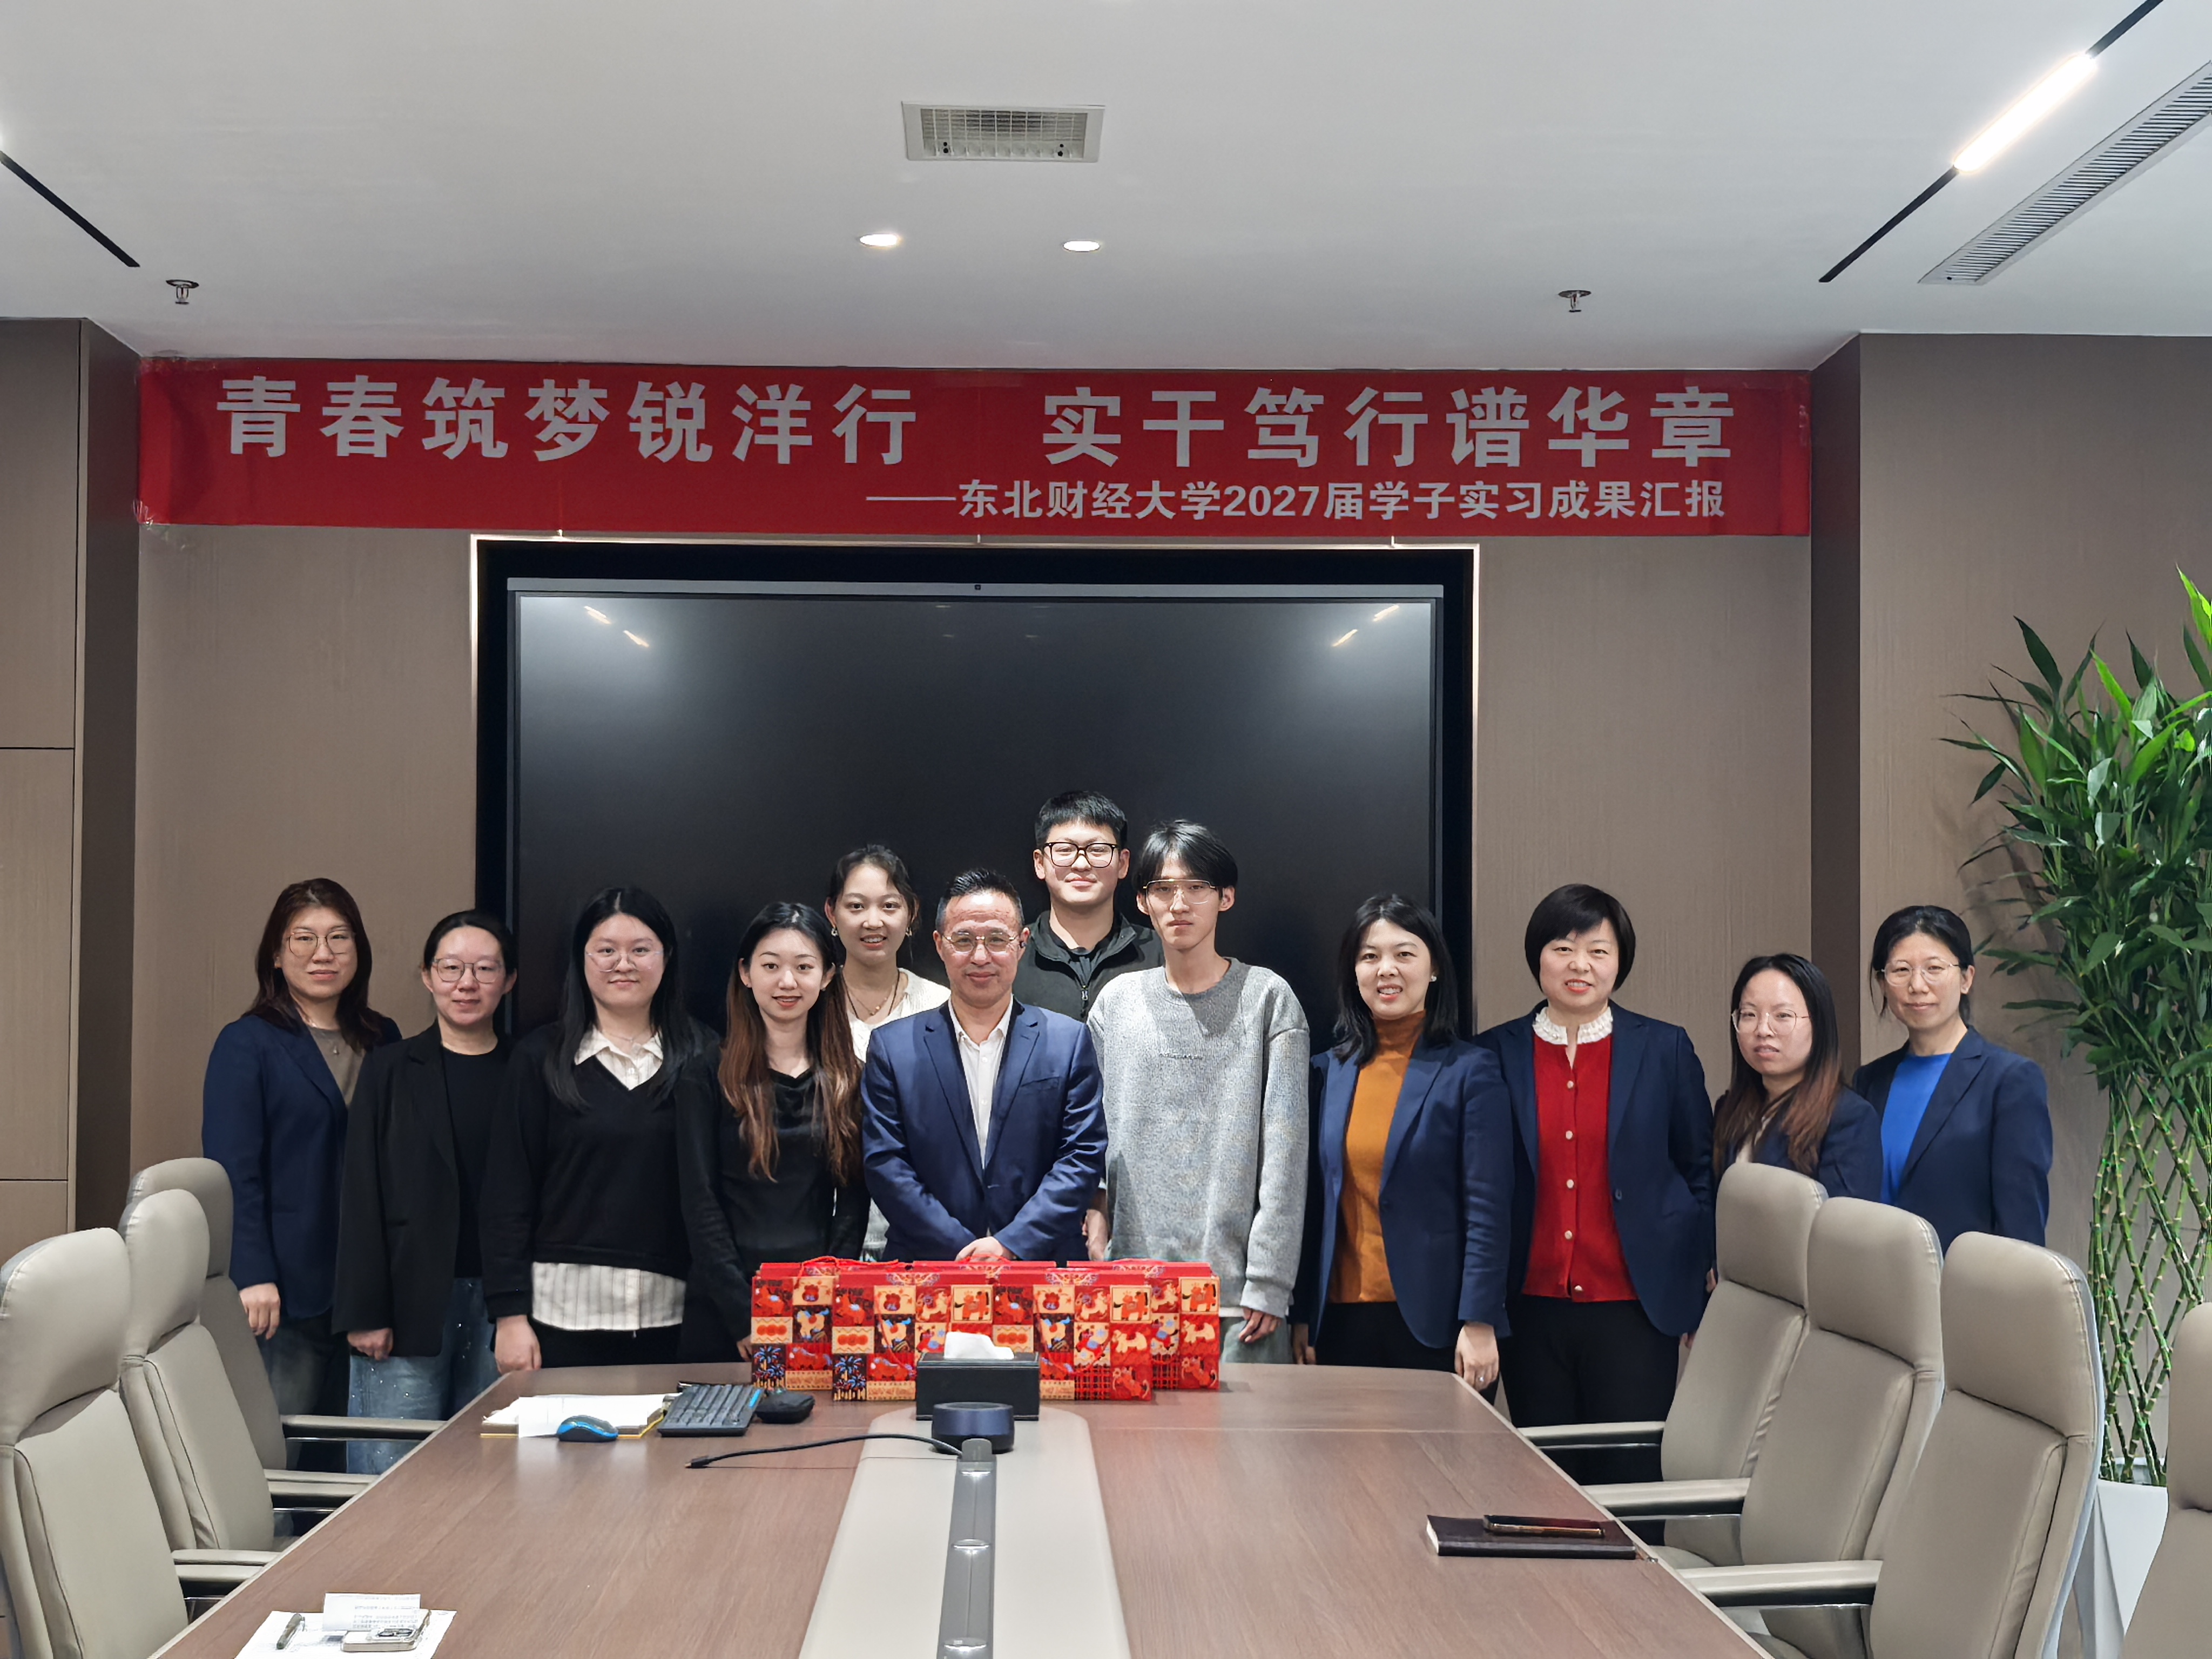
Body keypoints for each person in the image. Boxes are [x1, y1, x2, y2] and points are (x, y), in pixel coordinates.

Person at [1477, 883, 1714, 1483]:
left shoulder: (1664, 1048)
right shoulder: (1493, 1053)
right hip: (1529, 1308)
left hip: (1635, 1307)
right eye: (1562, 948)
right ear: (1538, 957)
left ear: (1620, 961)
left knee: (1631, 1479)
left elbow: (1698, 1170)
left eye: (1597, 951)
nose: (1579, 965)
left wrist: (1695, 1277)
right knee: (1548, 1484)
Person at [1085, 821, 1308, 1361]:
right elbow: (1091, 1133)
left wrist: (1270, 1280)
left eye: (1196, 887)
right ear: (1143, 902)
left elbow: (1286, 1153)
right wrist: (1095, 1226)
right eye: (1163, 889)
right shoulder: (1116, 1003)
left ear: (1225, 897)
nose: (1179, 904)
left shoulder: (1268, 998)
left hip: (1238, 1302)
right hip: (1130, 1288)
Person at [203, 878, 401, 1442]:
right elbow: (233, 1171)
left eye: (339, 937)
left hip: (369, 1287)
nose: (323, 953)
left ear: (358, 950)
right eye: (304, 938)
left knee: (359, 1451)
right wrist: (253, 1274)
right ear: (276, 952)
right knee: (282, 1447)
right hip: (285, 1291)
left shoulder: (383, 1037)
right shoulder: (247, 1042)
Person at [479, 887, 709, 1370]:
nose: (623, 964)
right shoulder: (539, 1059)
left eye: (641, 950)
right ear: (581, 960)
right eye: (606, 950)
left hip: (676, 1316)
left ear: (666, 958)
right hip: (560, 1317)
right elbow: (507, 1196)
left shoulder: (706, 1056)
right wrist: (509, 1316)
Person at [1290, 894, 1511, 1386]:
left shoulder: (1471, 1071)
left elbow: (1489, 1209)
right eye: (1370, 956)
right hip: (1339, 1324)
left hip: (1438, 1326)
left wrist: (1480, 1320)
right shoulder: (1327, 1071)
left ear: (1434, 969)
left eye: (1404, 954)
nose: (1386, 969)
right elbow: (1312, 1205)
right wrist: (1302, 1312)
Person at [333, 911, 518, 1472]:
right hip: (405, 1303)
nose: (467, 984)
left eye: (485, 969)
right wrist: (365, 1310)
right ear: (427, 976)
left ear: (509, 980)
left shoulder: (530, 1069)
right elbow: (361, 1191)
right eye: (451, 968)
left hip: (504, 1306)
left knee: (493, 1472)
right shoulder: (390, 1068)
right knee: (390, 1470)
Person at [860, 869, 1108, 1262]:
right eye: (963, 940)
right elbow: (886, 1165)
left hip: (1043, 1266)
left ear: (1022, 944)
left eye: (996, 939)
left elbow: (1082, 1156)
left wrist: (1010, 1245)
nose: (980, 957)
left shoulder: (1068, 1041)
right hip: (930, 1267)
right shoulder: (893, 1048)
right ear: (940, 945)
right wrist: (965, 1252)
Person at [677, 903, 867, 1362]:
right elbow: (700, 1203)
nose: (787, 982)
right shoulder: (705, 1075)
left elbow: (854, 1204)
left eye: (804, 967)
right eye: (770, 966)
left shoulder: (850, 1078)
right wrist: (746, 1317)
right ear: (745, 973)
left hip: (817, 1307)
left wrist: (824, 1298)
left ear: (827, 976)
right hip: (724, 1311)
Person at [1853, 903, 2052, 1249]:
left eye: (1934, 968)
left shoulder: (2010, 1081)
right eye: (1901, 970)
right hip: (1874, 1276)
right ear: (1882, 983)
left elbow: (2021, 1230)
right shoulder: (1869, 1081)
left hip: (1961, 1280)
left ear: (1966, 978)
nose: (1917, 985)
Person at [1710, 953, 1880, 1200]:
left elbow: (1845, 1221)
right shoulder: (1729, 1109)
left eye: (1783, 1016)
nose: (1763, 1030)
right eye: (1749, 1015)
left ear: (1818, 1025)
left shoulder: (1848, 1118)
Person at [1013, 790, 1162, 1021]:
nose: (1081, 864)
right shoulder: (1009, 956)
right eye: (1065, 850)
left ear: (1123, 863)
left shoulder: (1162, 955)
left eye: (1097, 850)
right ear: (1040, 863)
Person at [825, 844, 950, 1060]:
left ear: (912, 912)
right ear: (832, 913)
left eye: (889, 906)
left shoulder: (939, 1005)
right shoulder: (812, 1001)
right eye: (857, 906)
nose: (873, 922)